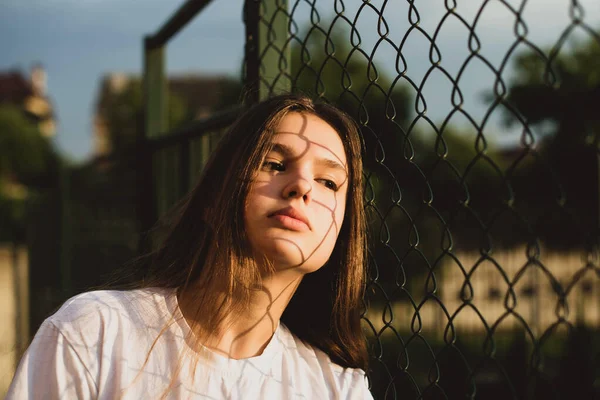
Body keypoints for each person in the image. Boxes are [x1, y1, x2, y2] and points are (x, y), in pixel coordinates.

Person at [7, 94, 374, 399]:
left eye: (329, 182)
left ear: (342, 230)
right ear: (214, 197)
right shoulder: (96, 334)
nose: (303, 186)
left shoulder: (337, 390)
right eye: (275, 163)